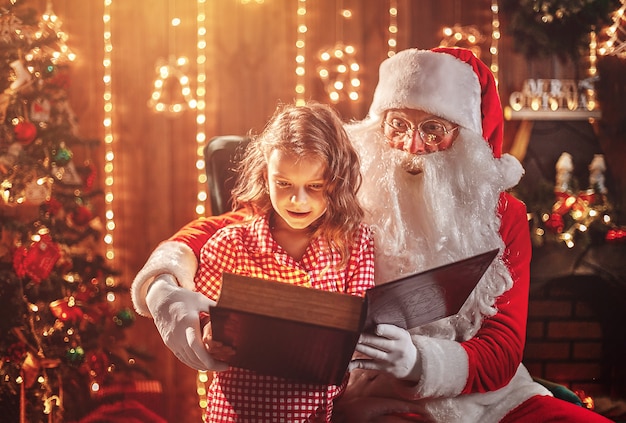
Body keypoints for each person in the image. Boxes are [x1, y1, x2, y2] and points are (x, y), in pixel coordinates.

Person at [131, 47, 611, 422]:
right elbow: (231, 227)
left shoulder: (502, 215)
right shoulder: (345, 185)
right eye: (397, 126)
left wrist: (423, 361)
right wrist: (163, 288)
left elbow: (503, 346)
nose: (410, 148)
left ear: (464, 138)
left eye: (433, 130)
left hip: (489, 400)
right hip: (370, 395)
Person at [182, 102, 375, 422]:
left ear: (337, 181)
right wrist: (206, 330)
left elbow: (361, 324)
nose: (298, 200)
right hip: (237, 414)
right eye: (283, 183)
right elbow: (198, 314)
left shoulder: (354, 243)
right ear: (265, 175)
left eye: (314, 186)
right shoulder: (230, 245)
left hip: (319, 416)